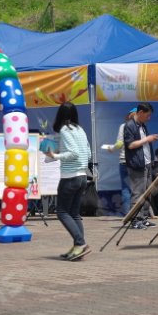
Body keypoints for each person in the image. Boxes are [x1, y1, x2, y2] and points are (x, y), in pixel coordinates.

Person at [44, 102, 92, 261]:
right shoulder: (80, 129)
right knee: (74, 214)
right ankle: (78, 247)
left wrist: (56, 156)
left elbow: (73, 153)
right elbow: (88, 154)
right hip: (82, 176)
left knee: (62, 212)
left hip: (70, 177)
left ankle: (81, 243)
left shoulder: (65, 130)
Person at [123, 102, 158, 229]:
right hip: (137, 165)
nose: (148, 118)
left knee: (147, 193)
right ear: (140, 113)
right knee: (137, 193)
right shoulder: (129, 126)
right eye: (147, 115)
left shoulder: (142, 125)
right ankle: (135, 220)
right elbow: (130, 145)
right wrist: (147, 139)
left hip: (147, 163)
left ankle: (143, 218)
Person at [105, 107, 136, 216]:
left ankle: (128, 213)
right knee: (138, 188)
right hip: (137, 162)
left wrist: (111, 148)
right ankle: (139, 213)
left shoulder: (124, 126)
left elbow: (119, 143)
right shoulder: (140, 127)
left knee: (126, 188)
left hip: (124, 160)